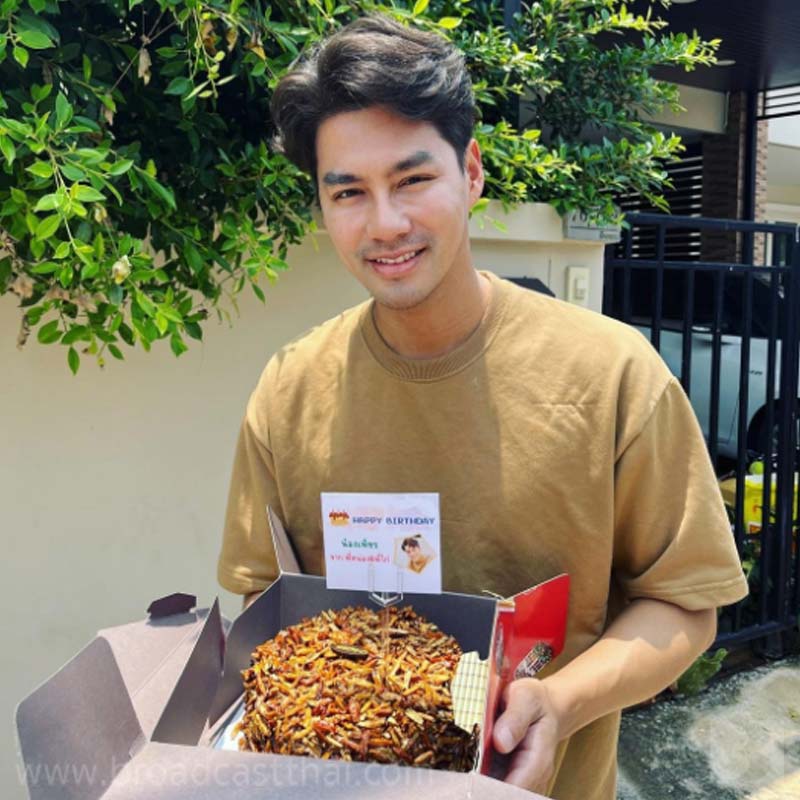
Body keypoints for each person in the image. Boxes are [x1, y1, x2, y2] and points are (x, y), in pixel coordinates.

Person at [217, 14, 748, 800]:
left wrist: (558, 706)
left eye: (412, 180)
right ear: (322, 206)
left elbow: (684, 604)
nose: (385, 223)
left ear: (470, 173)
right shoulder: (289, 390)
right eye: (349, 192)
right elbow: (265, 604)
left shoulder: (611, 376)